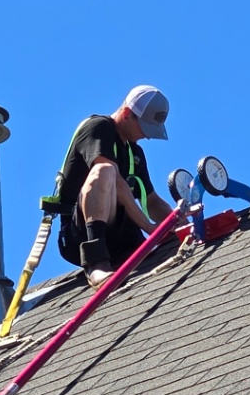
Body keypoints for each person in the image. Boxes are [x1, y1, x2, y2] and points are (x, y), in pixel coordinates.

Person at [56, 86, 174, 285]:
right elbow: (115, 181)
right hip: (79, 234)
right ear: (127, 113)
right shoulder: (98, 128)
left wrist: (175, 223)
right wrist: (149, 227)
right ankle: (96, 263)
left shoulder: (134, 153)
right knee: (106, 171)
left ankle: (121, 254)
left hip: (123, 239)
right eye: (143, 128)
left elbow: (152, 201)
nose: (146, 136)